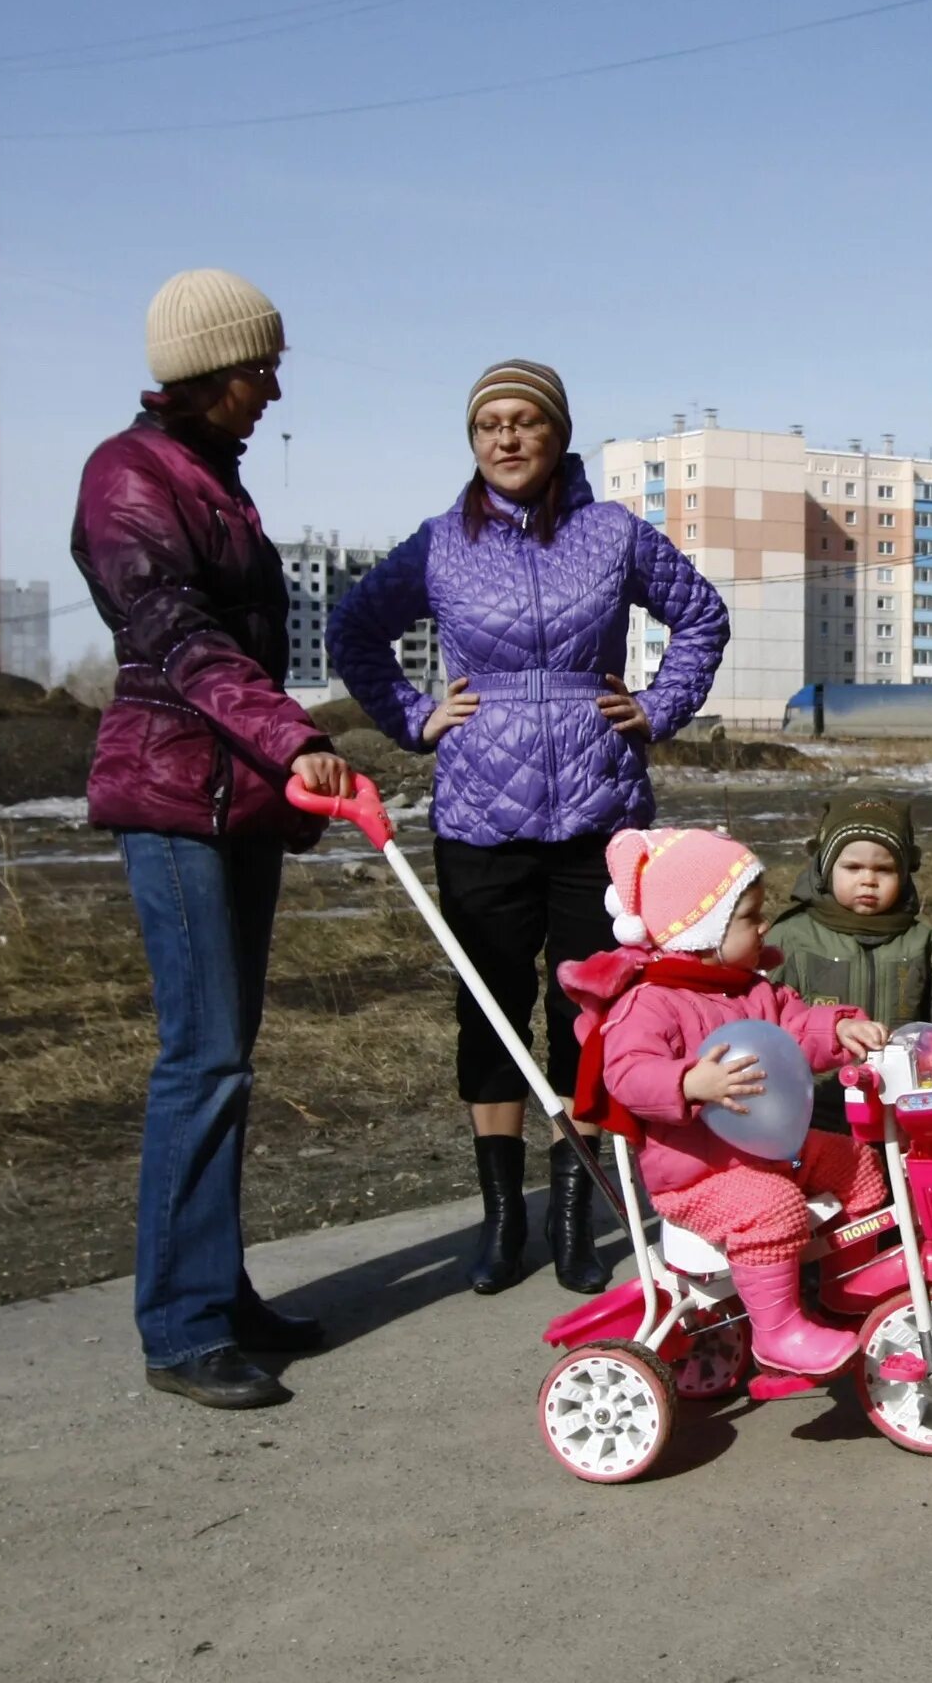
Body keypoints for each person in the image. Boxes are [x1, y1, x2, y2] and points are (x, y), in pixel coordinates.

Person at [330, 360, 729, 1297]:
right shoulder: (439, 545)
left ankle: (575, 1212)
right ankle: (502, 1221)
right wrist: (414, 715)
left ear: (557, 434)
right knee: (491, 1007)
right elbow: (354, 631)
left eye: (524, 423)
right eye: (488, 427)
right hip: (480, 813)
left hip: (600, 811)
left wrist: (658, 707)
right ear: (474, 443)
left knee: (590, 1015)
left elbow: (700, 617)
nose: (505, 440)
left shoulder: (613, 534)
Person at [73, 269, 354, 1411]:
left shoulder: (211, 480)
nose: (271, 390)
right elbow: (179, 639)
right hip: (175, 796)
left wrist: (283, 771)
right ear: (204, 370)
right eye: (257, 369)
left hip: (234, 796)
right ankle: (182, 1327)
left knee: (228, 1055)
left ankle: (217, 1290)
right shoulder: (128, 476)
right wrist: (294, 739)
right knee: (201, 1059)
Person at [553, 828, 891, 1379]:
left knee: (853, 1162)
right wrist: (688, 1082)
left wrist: (840, 1028)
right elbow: (627, 1071)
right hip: (697, 1178)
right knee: (771, 1204)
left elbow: (796, 1029)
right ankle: (778, 1333)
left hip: (770, 1155)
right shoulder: (650, 1001)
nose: (764, 927)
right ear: (700, 930)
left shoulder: (751, 990)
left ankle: (846, 1289)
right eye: (749, 917)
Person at [770, 796, 932, 1131]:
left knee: (896, 1181)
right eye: (853, 867)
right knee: (816, 1178)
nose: (868, 879)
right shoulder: (791, 937)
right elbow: (764, 1014)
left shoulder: (918, 940)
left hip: (899, 1102)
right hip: (812, 1107)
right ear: (825, 868)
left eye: (884, 869)